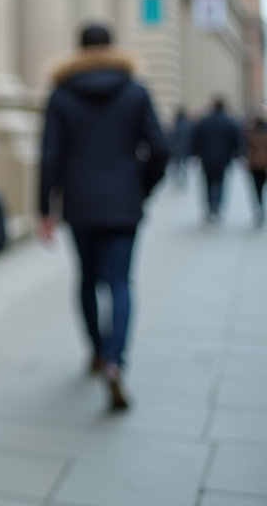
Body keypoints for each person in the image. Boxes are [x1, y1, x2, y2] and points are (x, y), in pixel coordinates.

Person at [38, 22, 169, 412]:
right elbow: (160, 147)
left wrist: (45, 207)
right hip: (124, 201)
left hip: (79, 202)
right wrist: (142, 185)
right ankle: (115, 360)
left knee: (87, 279)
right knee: (120, 281)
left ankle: (96, 350)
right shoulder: (135, 90)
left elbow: (50, 155)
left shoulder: (61, 94)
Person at [190, 96, 244, 223]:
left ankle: (210, 207)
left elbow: (195, 139)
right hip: (223, 159)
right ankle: (217, 207)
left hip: (206, 159)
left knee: (208, 183)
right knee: (220, 183)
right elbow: (236, 141)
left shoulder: (204, 121)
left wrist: (194, 154)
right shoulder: (229, 122)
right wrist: (237, 155)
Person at [243, 108, 267, 227]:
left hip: (255, 165)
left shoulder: (251, 132)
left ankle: (259, 208)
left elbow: (245, 149)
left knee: (257, 188)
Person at [169, 107, 193, 185]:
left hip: (176, 148)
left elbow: (172, 137)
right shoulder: (188, 124)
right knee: (184, 164)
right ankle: (183, 178)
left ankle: (176, 178)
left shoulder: (177, 124)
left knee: (177, 164)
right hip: (185, 148)